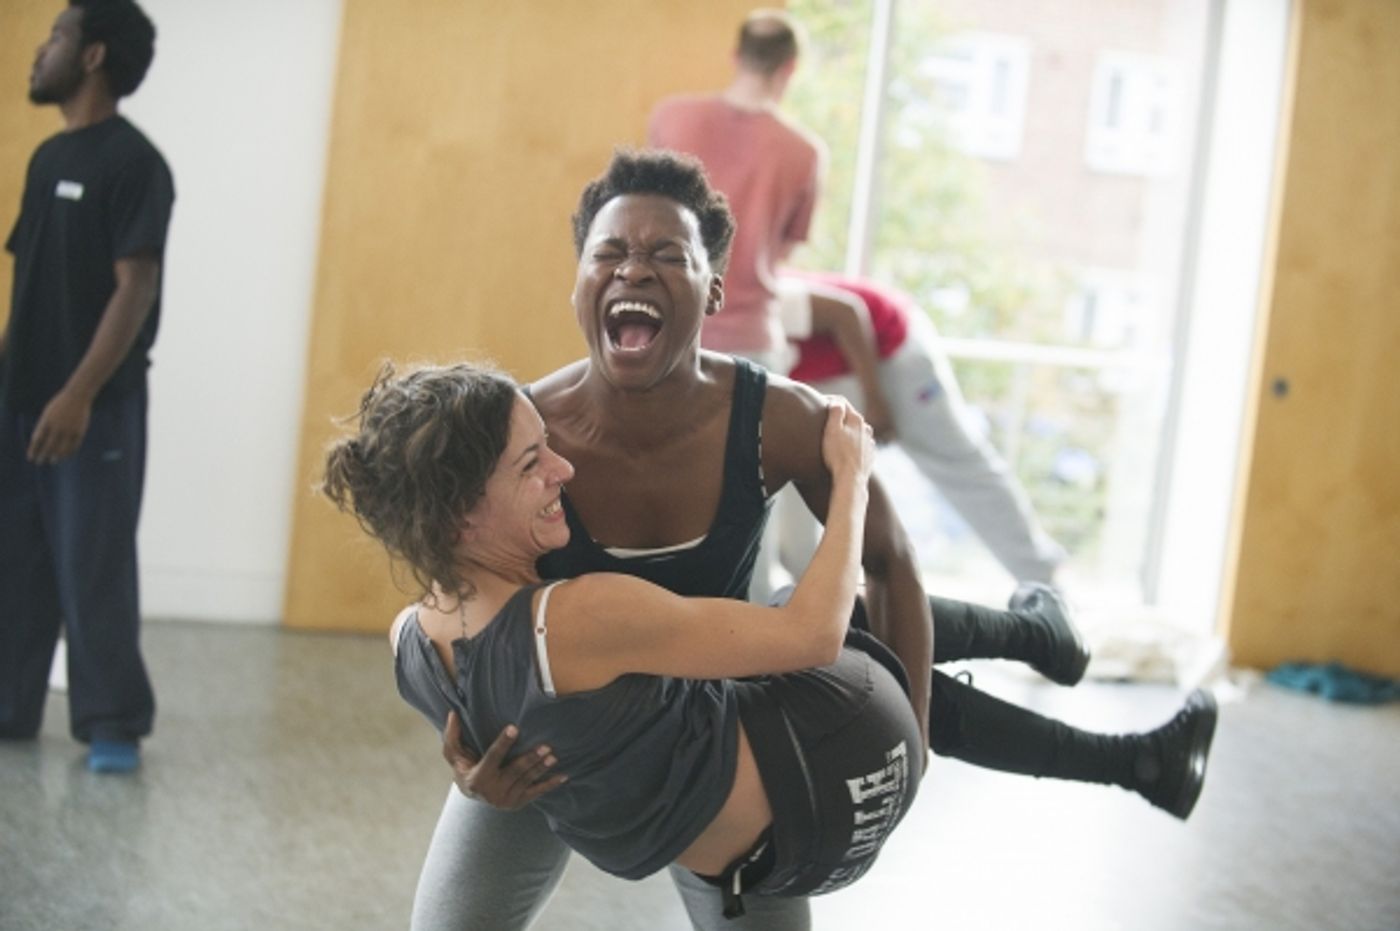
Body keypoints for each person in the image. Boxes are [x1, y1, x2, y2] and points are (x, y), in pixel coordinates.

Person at [390, 150, 1217, 931]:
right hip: (550, 755)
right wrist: (464, 759)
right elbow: (458, 601)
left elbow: (892, 565)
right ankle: (1046, 643)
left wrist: (914, 748)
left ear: (716, 292)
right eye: (609, 251)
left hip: (712, 740)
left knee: (842, 636)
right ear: (577, 284)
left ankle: (1067, 671)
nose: (634, 268)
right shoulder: (527, 437)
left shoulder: (778, 419)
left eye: (668, 255)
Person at [326, 361, 923, 919]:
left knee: (852, 617)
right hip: (795, 753)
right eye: (532, 462)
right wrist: (852, 482)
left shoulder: (407, 639)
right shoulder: (582, 614)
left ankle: (1021, 628)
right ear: (459, 516)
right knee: (819, 611)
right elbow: (815, 634)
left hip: (803, 741)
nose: (564, 470)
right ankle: (1017, 628)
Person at [0, 0, 172, 774]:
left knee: (92, 560)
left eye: (58, 37)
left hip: (95, 407)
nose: (43, 50)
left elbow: (133, 289)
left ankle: (112, 723)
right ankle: (11, 704)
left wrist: (76, 394)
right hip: (23, 397)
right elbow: (32, 284)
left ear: (94, 55)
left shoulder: (136, 165)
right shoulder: (46, 160)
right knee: (15, 559)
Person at [772, 271, 1067, 586]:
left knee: (959, 465)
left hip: (891, 350)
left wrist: (875, 399)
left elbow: (846, 312)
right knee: (794, 484)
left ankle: (1043, 576)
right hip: (828, 374)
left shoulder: (756, 296)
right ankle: (808, 595)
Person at [648, 7, 822, 375]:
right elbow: (786, 248)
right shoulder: (805, 154)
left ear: (736, 56)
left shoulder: (669, 118)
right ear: (790, 67)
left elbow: (641, 217)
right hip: (751, 342)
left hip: (666, 327)